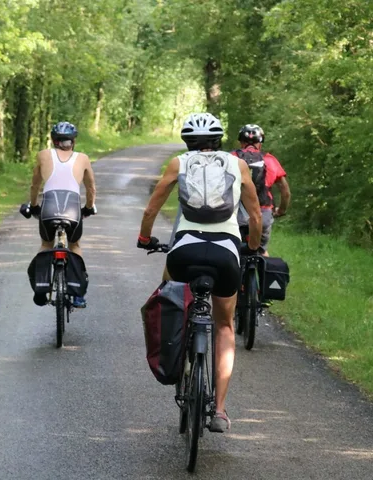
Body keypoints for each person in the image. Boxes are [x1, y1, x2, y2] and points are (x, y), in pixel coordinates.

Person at [137, 113, 262, 432]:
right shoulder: (239, 165)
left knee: (170, 300)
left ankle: (172, 353)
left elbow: (152, 209)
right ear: (220, 140)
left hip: (183, 253)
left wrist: (145, 239)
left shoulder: (179, 164)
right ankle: (219, 410)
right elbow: (256, 218)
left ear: (186, 141)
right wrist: (250, 246)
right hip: (225, 255)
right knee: (224, 326)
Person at [28, 121, 97, 307]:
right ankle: (78, 295)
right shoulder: (82, 158)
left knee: (45, 244)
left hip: (48, 210)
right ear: (73, 141)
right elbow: (90, 188)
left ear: (53, 140)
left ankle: (41, 287)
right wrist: (89, 207)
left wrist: (33, 205)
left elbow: (35, 185)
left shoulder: (43, 155)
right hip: (73, 210)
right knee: (74, 246)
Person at [231, 124, 291, 256]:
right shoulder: (270, 160)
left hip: (235, 214)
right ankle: (265, 273)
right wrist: (281, 210)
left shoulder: (231, 157)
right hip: (262, 213)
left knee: (232, 251)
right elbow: (285, 191)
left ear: (241, 142)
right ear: (260, 143)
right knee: (261, 251)